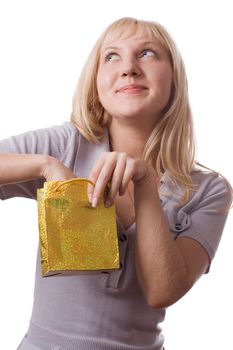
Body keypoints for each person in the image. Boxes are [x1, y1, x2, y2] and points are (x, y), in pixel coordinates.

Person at [0, 17, 232, 350]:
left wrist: (146, 184)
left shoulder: (210, 190)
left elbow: (162, 292)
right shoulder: (64, 146)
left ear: (175, 80)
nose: (129, 68)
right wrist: (44, 165)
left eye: (148, 53)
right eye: (112, 56)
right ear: (95, 83)